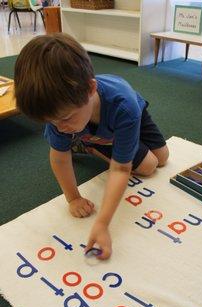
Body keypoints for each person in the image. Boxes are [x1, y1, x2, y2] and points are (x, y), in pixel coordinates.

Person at [14, 33, 169, 260]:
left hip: (126, 114)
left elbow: (120, 169)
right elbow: (59, 157)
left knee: (162, 158)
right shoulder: (60, 114)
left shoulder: (124, 107)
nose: (60, 127)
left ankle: (89, 145)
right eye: (52, 122)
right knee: (149, 166)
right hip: (96, 123)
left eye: (65, 119)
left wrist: (103, 222)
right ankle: (88, 142)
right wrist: (73, 198)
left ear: (90, 89)